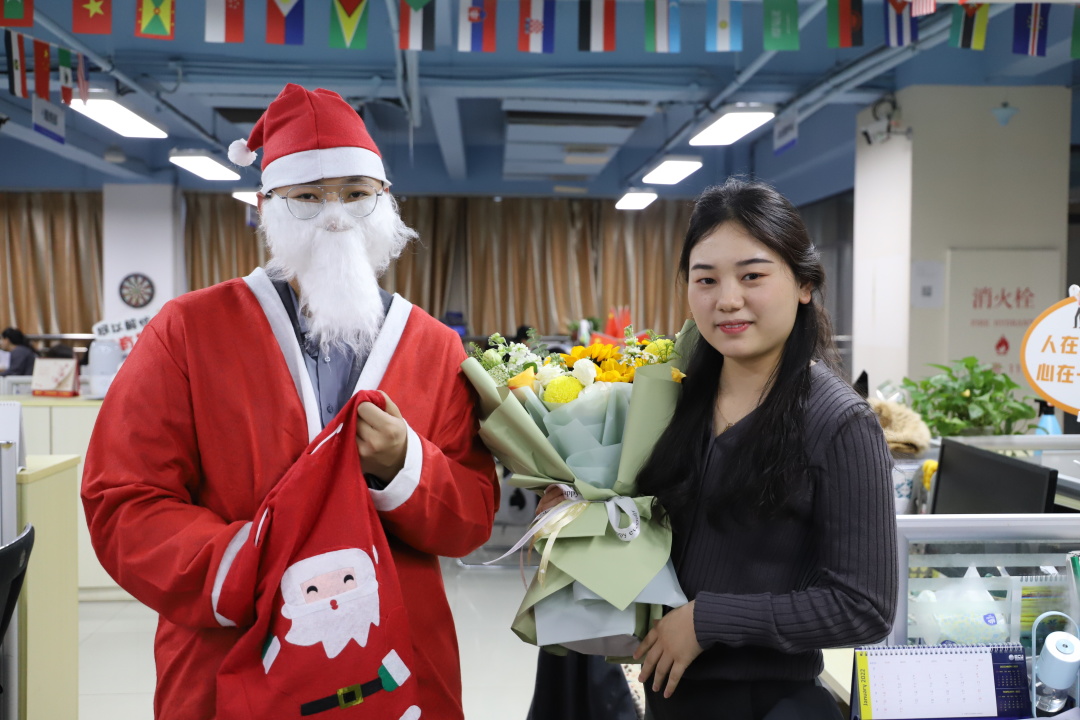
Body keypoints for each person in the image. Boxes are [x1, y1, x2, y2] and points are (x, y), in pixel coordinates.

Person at [82, 84, 499, 720]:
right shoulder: (187, 331)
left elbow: (470, 517)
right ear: (265, 206)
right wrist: (249, 561)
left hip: (396, 663)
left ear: (385, 201)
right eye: (307, 196)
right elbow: (123, 501)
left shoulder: (435, 346)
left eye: (356, 194)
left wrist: (405, 465)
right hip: (229, 654)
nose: (335, 215)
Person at [631, 179, 896, 718]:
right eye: (706, 279)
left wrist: (708, 621)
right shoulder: (676, 397)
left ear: (804, 283)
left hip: (768, 703)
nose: (727, 299)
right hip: (673, 699)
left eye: (752, 276)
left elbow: (864, 607)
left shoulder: (839, 422)